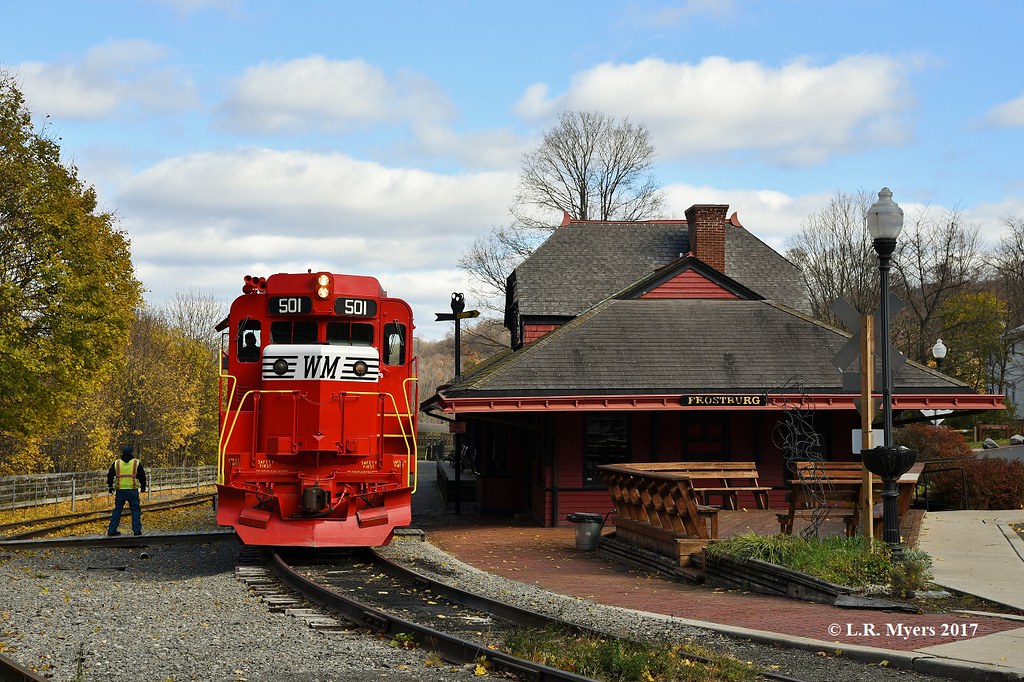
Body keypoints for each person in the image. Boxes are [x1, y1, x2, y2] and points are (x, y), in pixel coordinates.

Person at [106, 446, 147, 536]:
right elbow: (142, 475)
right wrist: (143, 486)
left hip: (120, 490)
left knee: (117, 510)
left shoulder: (117, 463)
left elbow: (110, 475)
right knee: (135, 510)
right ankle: (137, 530)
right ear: (132, 453)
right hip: (132, 489)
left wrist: (110, 486)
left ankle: (112, 530)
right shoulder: (136, 462)